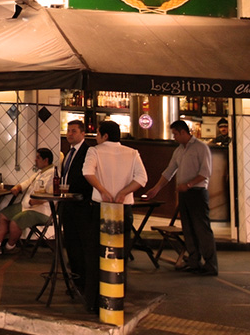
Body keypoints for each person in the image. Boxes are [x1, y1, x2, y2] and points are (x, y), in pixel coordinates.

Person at [83, 120, 147, 312]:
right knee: (120, 255)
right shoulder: (132, 153)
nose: (96, 138)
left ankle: (94, 302)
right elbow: (142, 178)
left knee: (96, 254)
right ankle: (116, 300)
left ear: (105, 136)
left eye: (98, 134)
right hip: (123, 209)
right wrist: (123, 193)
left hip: (100, 208)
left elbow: (87, 172)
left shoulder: (94, 151)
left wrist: (102, 190)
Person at [146, 119, 218, 276]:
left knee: (202, 229)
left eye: (175, 134)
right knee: (188, 228)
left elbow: (205, 173)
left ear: (183, 132)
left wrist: (189, 185)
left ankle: (211, 264)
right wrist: (156, 188)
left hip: (197, 193)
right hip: (184, 194)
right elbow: (169, 171)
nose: (174, 137)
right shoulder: (179, 151)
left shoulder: (201, 148)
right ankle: (194, 261)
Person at [0, 148, 55, 255]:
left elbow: (49, 195)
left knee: (15, 222)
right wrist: (18, 187)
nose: (35, 160)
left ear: (46, 160)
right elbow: (28, 182)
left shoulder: (52, 174)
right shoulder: (41, 172)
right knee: (4, 215)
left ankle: (10, 247)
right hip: (27, 206)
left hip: (41, 211)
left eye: (38, 158)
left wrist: (32, 202)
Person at [59, 120, 94, 292]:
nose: (70, 134)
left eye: (74, 131)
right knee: (71, 244)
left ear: (82, 133)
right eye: (68, 130)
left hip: (81, 205)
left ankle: (84, 282)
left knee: (81, 245)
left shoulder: (88, 152)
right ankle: (75, 280)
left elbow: (87, 177)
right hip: (67, 204)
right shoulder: (69, 153)